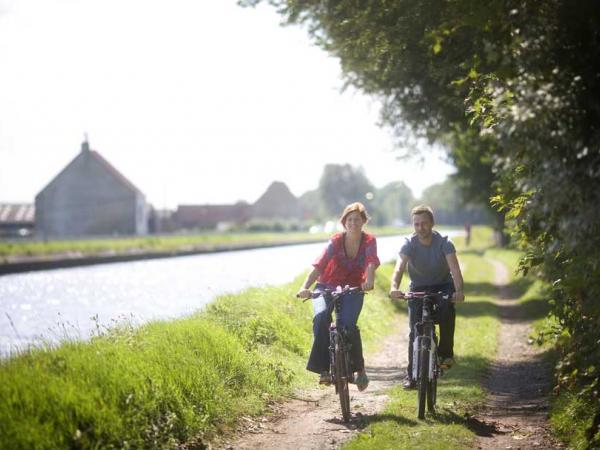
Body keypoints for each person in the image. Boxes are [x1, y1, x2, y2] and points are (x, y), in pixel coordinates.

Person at [297, 202, 380, 392]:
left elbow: (370, 262)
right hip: (325, 285)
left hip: (352, 288)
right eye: (349, 220)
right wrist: (304, 287)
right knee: (320, 318)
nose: (353, 223)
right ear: (344, 222)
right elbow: (319, 266)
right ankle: (324, 370)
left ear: (363, 222)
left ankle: (359, 370)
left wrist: (369, 280)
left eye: (357, 220)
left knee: (348, 325)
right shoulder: (335, 241)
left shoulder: (369, 241)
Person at [389, 205, 465, 389]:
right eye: (416, 224)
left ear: (432, 223)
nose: (420, 228)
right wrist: (394, 287)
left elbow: (455, 269)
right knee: (414, 331)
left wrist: (459, 290)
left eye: (424, 223)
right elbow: (399, 267)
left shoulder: (444, 243)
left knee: (447, 312)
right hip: (418, 288)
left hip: (443, 286)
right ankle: (411, 376)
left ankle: (445, 354)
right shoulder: (409, 243)